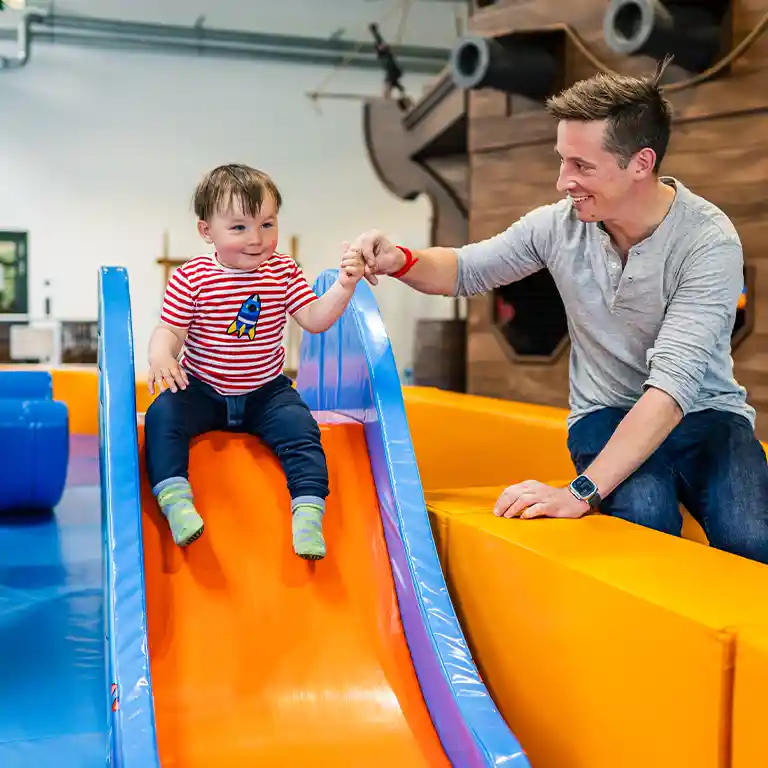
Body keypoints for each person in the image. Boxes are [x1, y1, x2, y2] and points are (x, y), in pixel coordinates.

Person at [349, 60, 768, 565]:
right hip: (606, 412)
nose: (562, 181)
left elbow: (671, 392)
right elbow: (465, 269)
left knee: (751, 541)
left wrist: (578, 493)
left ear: (640, 163)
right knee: (646, 523)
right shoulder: (558, 226)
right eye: (562, 160)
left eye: (582, 166)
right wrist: (401, 260)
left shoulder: (707, 242)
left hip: (705, 413)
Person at [144, 163, 365, 559]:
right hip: (203, 388)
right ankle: (176, 500)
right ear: (206, 231)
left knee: (302, 431)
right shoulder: (191, 277)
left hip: (266, 391)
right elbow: (170, 330)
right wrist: (162, 354)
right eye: (239, 227)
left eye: (267, 224)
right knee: (163, 417)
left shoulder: (282, 270)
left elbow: (314, 319)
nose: (256, 239)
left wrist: (344, 287)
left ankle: (309, 512)